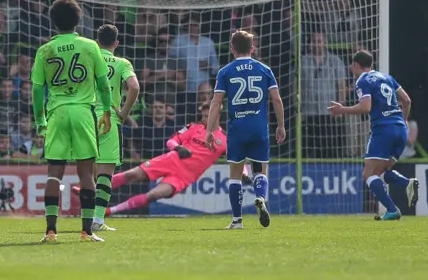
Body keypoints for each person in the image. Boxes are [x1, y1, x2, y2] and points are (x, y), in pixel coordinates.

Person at [31, 0, 113, 243]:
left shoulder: (44, 50)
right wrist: (107, 111)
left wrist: (40, 121)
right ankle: (87, 232)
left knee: (54, 173)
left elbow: (37, 90)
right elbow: (103, 83)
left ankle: (50, 231)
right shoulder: (90, 46)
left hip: (57, 113)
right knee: (86, 174)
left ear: (53, 21)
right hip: (82, 112)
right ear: (79, 19)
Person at [85, 103, 225, 217]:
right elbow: (171, 141)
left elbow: (235, 158)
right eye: (204, 115)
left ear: (217, 115)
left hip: (184, 177)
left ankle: (111, 211)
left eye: (208, 115)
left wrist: (243, 173)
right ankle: (89, 190)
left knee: (153, 195)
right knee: (131, 174)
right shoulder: (193, 127)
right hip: (170, 160)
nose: (204, 118)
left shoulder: (224, 139)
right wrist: (178, 148)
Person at [206, 30, 286, 230]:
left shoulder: (225, 72)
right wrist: (281, 125)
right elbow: (276, 99)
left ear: (231, 49)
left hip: (237, 128)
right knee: (260, 169)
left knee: (235, 174)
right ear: (253, 48)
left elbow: (216, 103)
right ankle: (259, 197)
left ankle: (237, 221)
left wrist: (209, 130)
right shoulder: (265, 69)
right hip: (259, 127)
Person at [328, 50, 418, 220]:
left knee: (367, 175)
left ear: (356, 65)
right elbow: (407, 101)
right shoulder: (387, 77)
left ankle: (392, 210)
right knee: (381, 171)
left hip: (383, 130)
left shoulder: (362, 80)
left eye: (351, 65)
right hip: (400, 129)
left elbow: (366, 107)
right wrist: (404, 119)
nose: (350, 68)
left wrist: (341, 109)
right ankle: (408, 183)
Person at [72, 24, 139, 232]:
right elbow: (134, 87)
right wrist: (124, 113)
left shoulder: (87, 59)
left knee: (87, 173)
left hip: (86, 117)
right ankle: (98, 220)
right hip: (110, 119)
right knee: (105, 173)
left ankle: (87, 219)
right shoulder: (122, 63)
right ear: (116, 43)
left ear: (96, 41)